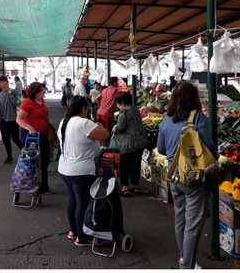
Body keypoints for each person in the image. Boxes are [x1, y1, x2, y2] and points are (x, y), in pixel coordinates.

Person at [156, 81, 218, 269]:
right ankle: (188, 266)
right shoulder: (198, 118)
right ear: (194, 98)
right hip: (194, 180)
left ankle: (184, 257)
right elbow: (209, 148)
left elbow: (161, 148)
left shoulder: (166, 119)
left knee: (180, 219)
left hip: (174, 177)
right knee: (193, 225)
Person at [57, 96, 109, 247]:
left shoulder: (64, 122)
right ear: (84, 109)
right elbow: (105, 135)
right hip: (81, 172)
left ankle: (73, 231)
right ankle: (82, 237)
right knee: (82, 203)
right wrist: (98, 125)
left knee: (72, 200)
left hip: (65, 169)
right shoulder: (84, 123)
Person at [16, 82, 53, 194]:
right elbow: (19, 119)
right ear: (36, 93)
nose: (44, 92)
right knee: (33, 161)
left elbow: (43, 114)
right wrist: (29, 127)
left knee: (45, 160)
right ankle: (31, 185)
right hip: (31, 137)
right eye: (42, 91)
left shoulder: (42, 101)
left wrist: (47, 121)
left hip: (43, 135)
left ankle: (44, 186)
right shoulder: (27, 103)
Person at [112, 91, 147, 197]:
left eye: (118, 103)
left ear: (122, 102)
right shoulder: (135, 109)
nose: (117, 106)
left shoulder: (124, 112)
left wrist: (114, 128)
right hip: (140, 141)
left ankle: (125, 188)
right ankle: (136, 187)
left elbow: (121, 127)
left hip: (128, 143)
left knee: (125, 166)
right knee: (136, 164)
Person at [0, 75, 23, 164]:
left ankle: (24, 152)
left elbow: (17, 103)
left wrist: (11, 95)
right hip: (4, 121)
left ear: (5, 82)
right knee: (5, 140)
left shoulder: (12, 92)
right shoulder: (0, 95)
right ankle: (9, 156)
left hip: (13, 120)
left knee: (15, 138)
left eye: (0, 82)